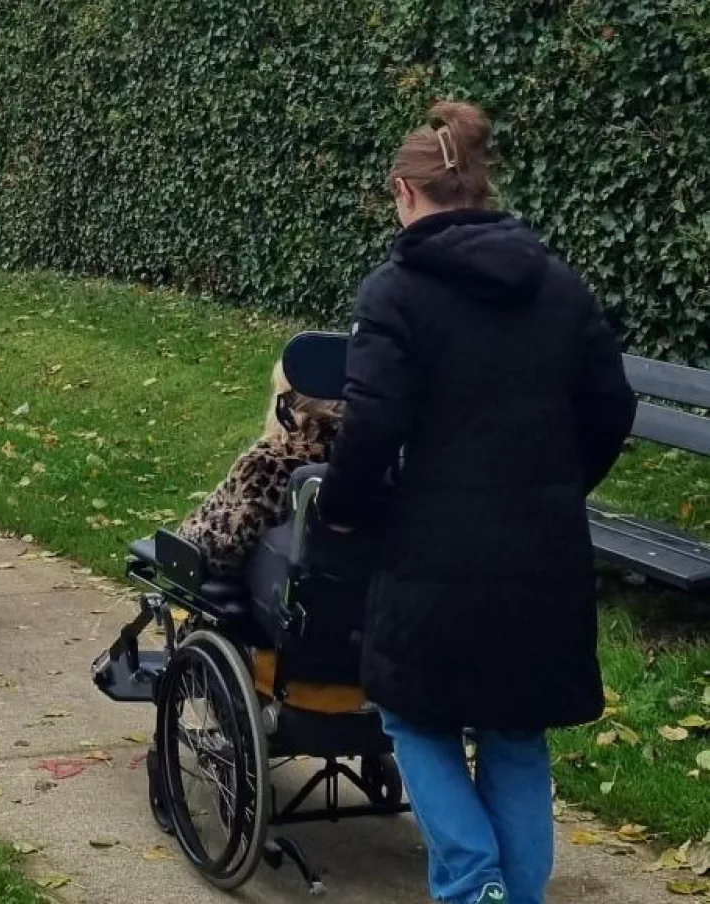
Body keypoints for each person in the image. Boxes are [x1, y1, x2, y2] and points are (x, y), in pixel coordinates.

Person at [315, 101, 636, 904]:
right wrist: (555, 486)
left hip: (431, 552)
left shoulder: (396, 292)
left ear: (404, 191)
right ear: (482, 191)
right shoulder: (560, 286)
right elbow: (611, 407)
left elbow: (369, 427)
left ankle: (468, 878)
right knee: (515, 735)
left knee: (410, 716)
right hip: (540, 553)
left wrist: (346, 511)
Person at [176, 360, 341, 574]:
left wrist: (187, 534)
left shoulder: (271, 464)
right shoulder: (356, 462)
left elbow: (224, 552)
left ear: (284, 405)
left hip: (263, 584)